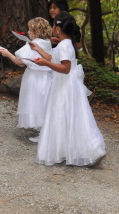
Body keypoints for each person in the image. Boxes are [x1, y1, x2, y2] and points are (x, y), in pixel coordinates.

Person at [30, 12, 106, 167]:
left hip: (65, 84)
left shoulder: (64, 45)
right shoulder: (65, 43)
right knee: (66, 116)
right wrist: (38, 50)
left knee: (65, 114)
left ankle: (89, 150)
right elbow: (54, 59)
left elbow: (65, 68)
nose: (52, 28)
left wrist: (45, 64)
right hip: (63, 83)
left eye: (53, 25)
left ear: (58, 28)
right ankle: (69, 149)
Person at [0, 18, 53, 142]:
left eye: (30, 30)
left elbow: (20, 62)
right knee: (43, 103)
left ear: (36, 31)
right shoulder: (47, 42)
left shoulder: (35, 44)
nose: (28, 32)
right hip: (46, 77)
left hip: (35, 77)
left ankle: (44, 135)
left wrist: (7, 53)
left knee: (35, 102)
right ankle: (45, 131)